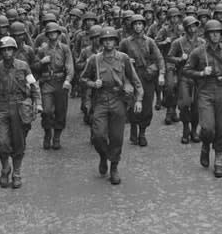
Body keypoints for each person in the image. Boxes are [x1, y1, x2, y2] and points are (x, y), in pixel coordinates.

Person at [0, 36, 42, 189]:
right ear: (0, 52)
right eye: (4, 50)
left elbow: (33, 86)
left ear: (14, 50)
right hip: (2, 107)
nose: (7, 53)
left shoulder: (23, 66)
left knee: (19, 142)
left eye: (10, 49)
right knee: (1, 142)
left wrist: (38, 103)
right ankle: (5, 166)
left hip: (20, 107)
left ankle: (16, 172)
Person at [80, 27, 143, 185]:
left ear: (116, 42)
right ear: (101, 42)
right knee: (98, 135)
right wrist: (93, 84)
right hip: (101, 99)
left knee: (116, 137)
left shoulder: (123, 58)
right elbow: (82, 79)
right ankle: (103, 155)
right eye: (105, 40)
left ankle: (114, 166)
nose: (108, 42)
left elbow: (135, 80)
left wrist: (139, 99)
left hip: (118, 99)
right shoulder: (94, 59)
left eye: (112, 40)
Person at [183, 20, 222, 178]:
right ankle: (205, 145)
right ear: (207, 35)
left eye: (218, 32)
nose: (215, 35)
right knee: (208, 128)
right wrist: (202, 73)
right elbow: (187, 70)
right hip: (205, 91)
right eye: (212, 32)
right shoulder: (198, 52)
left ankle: (218, 160)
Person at [119, 14, 165, 147]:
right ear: (132, 26)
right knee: (132, 104)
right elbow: (117, 58)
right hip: (132, 75)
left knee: (146, 106)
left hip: (146, 76)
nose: (138, 27)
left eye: (140, 24)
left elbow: (159, 58)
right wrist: (127, 60)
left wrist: (161, 73)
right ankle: (134, 128)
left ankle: (142, 132)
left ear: (144, 26)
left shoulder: (149, 41)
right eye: (135, 24)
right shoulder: (125, 42)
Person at [167, 15, 205, 144]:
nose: (192, 29)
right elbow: (169, 57)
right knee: (185, 104)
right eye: (189, 26)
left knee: (196, 107)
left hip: (198, 77)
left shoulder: (202, 42)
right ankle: (185, 129)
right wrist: (180, 59)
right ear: (185, 28)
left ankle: (194, 130)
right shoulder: (178, 42)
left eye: (194, 26)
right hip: (184, 76)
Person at [36, 22, 74, 150]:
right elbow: (34, 67)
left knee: (60, 111)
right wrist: (42, 62)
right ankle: (47, 133)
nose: (53, 35)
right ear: (47, 35)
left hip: (60, 82)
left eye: (55, 33)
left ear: (58, 34)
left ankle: (57, 136)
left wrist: (68, 79)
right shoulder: (42, 50)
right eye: (50, 33)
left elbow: (69, 65)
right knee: (46, 111)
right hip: (47, 82)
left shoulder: (64, 48)